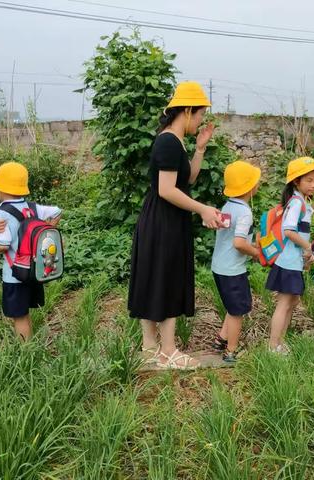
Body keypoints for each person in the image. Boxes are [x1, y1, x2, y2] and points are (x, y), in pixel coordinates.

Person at [128, 81, 222, 370]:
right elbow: (167, 189)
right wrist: (203, 208)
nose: (201, 121)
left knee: (155, 276)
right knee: (166, 278)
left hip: (165, 219)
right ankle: (167, 351)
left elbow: (187, 180)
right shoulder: (168, 141)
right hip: (164, 220)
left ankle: (150, 348)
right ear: (188, 110)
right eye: (200, 115)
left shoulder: (174, 141)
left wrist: (200, 150)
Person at [0, 162, 61, 341]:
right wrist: (48, 228)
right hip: (33, 270)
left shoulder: (2, 214)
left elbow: (4, 245)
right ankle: (29, 343)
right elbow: (57, 211)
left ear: (1, 190)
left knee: (18, 316)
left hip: (14, 274)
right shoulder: (33, 207)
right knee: (24, 313)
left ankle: (25, 351)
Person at [265, 157, 314, 354]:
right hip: (288, 262)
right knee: (285, 303)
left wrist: (305, 256)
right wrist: (309, 248)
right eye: (309, 180)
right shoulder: (297, 203)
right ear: (296, 182)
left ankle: (280, 342)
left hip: (293, 262)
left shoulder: (302, 202)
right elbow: (289, 231)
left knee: (292, 301)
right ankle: (274, 346)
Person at [211, 160, 261, 363]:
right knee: (237, 311)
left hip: (219, 266)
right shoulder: (245, 212)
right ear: (251, 187)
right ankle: (231, 351)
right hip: (233, 270)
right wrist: (256, 252)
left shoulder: (228, 205)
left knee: (232, 307)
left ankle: (221, 339)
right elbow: (239, 243)